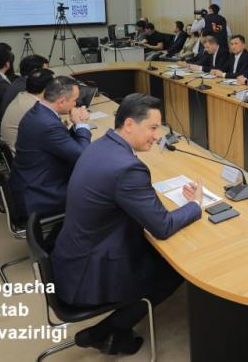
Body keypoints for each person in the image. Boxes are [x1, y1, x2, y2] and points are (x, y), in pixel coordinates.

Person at [53, 94, 203, 356]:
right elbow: (162, 226)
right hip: (91, 269)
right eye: (153, 128)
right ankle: (103, 332)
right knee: (175, 269)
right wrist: (195, 205)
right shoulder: (127, 168)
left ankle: (110, 331)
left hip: (74, 253)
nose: (157, 136)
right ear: (130, 124)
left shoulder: (101, 145)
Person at [8, 75, 91, 221]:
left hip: (33, 181)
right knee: (98, 189)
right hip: (40, 193)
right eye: (74, 100)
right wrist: (82, 124)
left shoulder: (40, 111)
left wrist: (75, 125)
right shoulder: (47, 123)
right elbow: (83, 156)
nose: (76, 104)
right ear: (62, 101)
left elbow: (61, 142)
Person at [0, 68, 55, 154]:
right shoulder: (34, 108)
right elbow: (52, 135)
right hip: (24, 155)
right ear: (47, 89)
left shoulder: (22, 95)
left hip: (15, 148)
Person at [0, 54, 50, 120]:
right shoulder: (27, 88)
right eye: (46, 71)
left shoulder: (20, 81)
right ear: (35, 72)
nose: (48, 75)